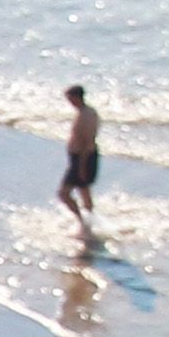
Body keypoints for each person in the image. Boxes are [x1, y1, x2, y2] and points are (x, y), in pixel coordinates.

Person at [60, 84, 103, 232]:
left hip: (82, 158)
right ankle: (89, 222)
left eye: (70, 98)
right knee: (83, 189)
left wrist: (82, 166)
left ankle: (82, 221)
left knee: (63, 193)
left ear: (77, 97)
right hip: (81, 157)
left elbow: (87, 141)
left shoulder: (86, 115)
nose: (69, 102)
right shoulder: (86, 112)